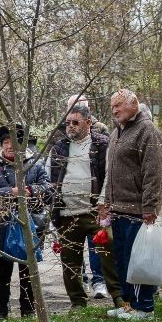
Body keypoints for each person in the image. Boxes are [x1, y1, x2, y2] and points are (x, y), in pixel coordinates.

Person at [100, 89, 162, 321]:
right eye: (112, 107)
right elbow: (112, 173)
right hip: (119, 210)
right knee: (123, 261)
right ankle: (128, 305)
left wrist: (150, 207)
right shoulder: (117, 132)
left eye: (118, 105)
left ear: (134, 104)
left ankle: (144, 308)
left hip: (139, 211)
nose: (114, 110)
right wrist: (107, 202)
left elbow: (154, 174)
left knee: (139, 260)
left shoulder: (148, 131)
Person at [49, 105, 121, 310]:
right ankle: (78, 302)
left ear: (88, 123)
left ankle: (117, 297)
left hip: (95, 210)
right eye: (68, 123)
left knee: (107, 253)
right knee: (70, 260)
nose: (70, 126)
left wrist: (103, 202)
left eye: (75, 122)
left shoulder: (102, 144)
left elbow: (109, 175)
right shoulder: (59, 147)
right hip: (66, 212)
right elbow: (49, 177)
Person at [0, 125, 52, 319]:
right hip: (1, 224)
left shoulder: (34, 164)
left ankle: (28, 309)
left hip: (29, 224)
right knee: (1, 272)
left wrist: (28, 191)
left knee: (28, 269)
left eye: (13, 143)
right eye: (5, 143)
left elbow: (48, 190)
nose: (9, 147)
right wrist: (11, 192)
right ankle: (0, 311)